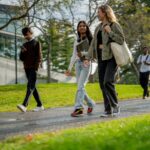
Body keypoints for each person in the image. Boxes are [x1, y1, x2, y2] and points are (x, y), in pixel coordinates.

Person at [81, 5, 125, 117]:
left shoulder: (114, 25)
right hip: (101, 59)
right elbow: (92, 44)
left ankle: (115, 105)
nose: (97, 14)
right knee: (102, 85)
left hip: (112, 58)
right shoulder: (98, 27)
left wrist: (110, 32)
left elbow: (121, 40)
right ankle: (108, 110)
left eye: (99, 12)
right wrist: (87, 58)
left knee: (107, 81)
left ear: (105, 13)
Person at [65, 21, 95, 117]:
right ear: (78, 29)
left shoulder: (91, 39)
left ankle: (79, 109)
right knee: (80, 87)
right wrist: (69, 68)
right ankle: (91, 104)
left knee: (80, 86)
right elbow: (74, 55)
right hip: (78, 64)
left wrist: (85, 55)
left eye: (84, 26)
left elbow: (93, 53)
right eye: (80, 26)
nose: (82, 27)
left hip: (86, 64)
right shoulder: (76, 40)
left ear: (86, 28)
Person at [17, 27, 44, 112]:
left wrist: (36, 68)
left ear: (30, 32)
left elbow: (39, 56)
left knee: (30, 86)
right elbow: (21, 58)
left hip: (33, 68)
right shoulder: (24, 45)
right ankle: (40, 105)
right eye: (24, 34)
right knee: (32, 86)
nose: (25, 36)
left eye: (26, 33)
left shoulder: (36, 43)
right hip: (27, 68)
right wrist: (22, 51)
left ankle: (24, 105)